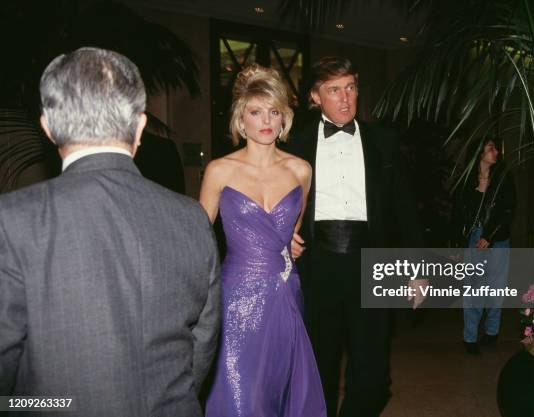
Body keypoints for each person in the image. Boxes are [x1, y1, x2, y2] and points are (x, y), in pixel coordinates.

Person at [0, 47, 220, 416]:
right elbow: (201, 346)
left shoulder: (13, 220)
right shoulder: (192, 218)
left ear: (48, 128)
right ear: (140, 127)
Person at [287, 56, 424, 417]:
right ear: (315, 96)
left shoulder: (384, 141)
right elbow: (272, 202)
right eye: (334, 90)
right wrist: (285, 235)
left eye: (351, 87)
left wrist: (418, 269)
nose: (345, 98)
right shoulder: (295, 146)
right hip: (318, 265)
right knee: (320, 368)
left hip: (373, 264)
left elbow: (405, 209)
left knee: (375, 375)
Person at [199, 64, 326, 417]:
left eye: (274, 111)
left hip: (285, 296)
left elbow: (291, 234)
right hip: (235, 301)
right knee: (240, 399)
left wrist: (291, 245)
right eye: (255, 111)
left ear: (285, 117)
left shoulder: (300, 170)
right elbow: (195, 240)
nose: (265, 119)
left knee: (280, 392)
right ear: (241, 120)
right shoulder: (220, 170)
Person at [451, 138, 516, 355]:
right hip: (473, 238)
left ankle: (491, 331)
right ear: (479, 153)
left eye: (496, 148)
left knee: (496, 288)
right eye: (491, 148)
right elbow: (458, 215)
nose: (496, 152)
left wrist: (490, 235)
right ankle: (469, 337)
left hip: (497, 240)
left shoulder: (504, 178)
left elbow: (508, 211)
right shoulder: (467, 180)